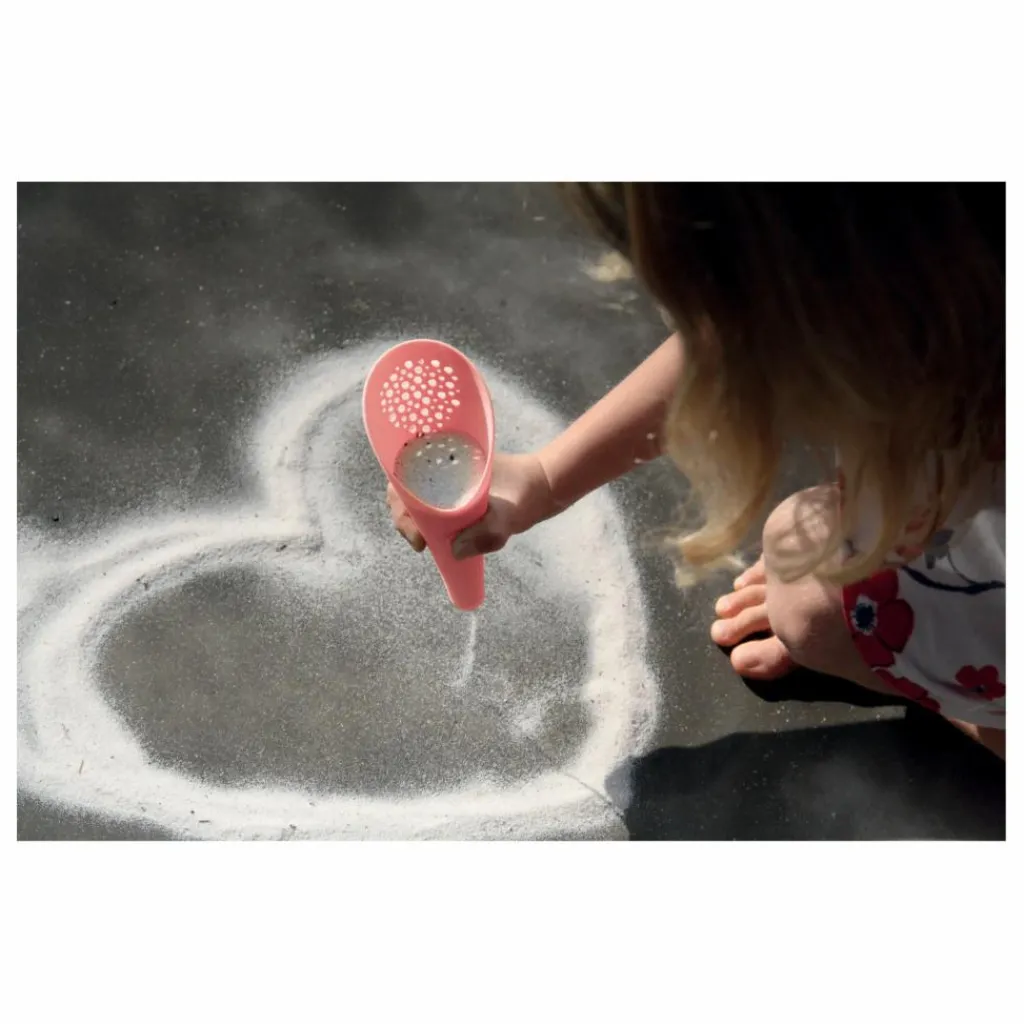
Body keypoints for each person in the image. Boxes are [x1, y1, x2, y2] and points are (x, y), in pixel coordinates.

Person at [386, 184, 1005, 759]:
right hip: (943, 548)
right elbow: (737, 334)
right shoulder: (918, 300)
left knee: (804, 591)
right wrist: (546, 477)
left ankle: (974, 706)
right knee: (802, 572)